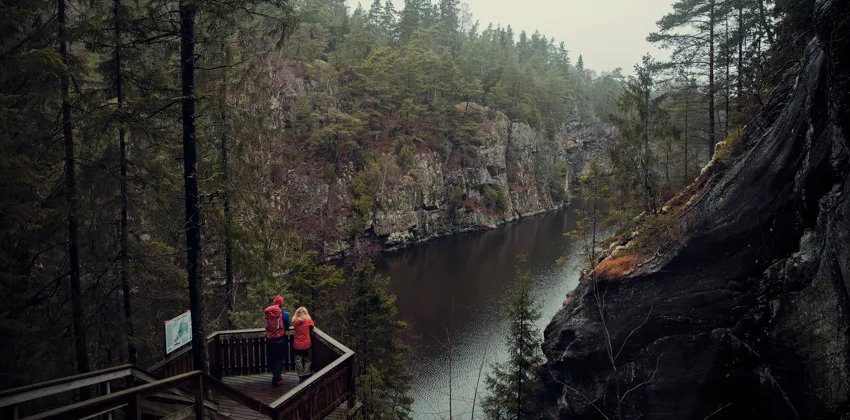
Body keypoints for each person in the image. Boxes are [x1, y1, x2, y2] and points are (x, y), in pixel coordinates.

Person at [264, 295, 290, 387]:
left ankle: (275, 377)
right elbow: (287, 324)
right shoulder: (285, 314)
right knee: (279, 359)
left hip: (270, 339)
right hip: (280, 340)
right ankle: (276, 378)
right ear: (282, 303)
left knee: (272, 359)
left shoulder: (270, 314)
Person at [292, 306, 315, 383]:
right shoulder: (308, 321)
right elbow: (312, 325)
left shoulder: (294, 321)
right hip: (306, 345)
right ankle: (307, 374)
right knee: (307, 360)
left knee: (298, 361)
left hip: (297, 345)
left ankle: (301, 375)